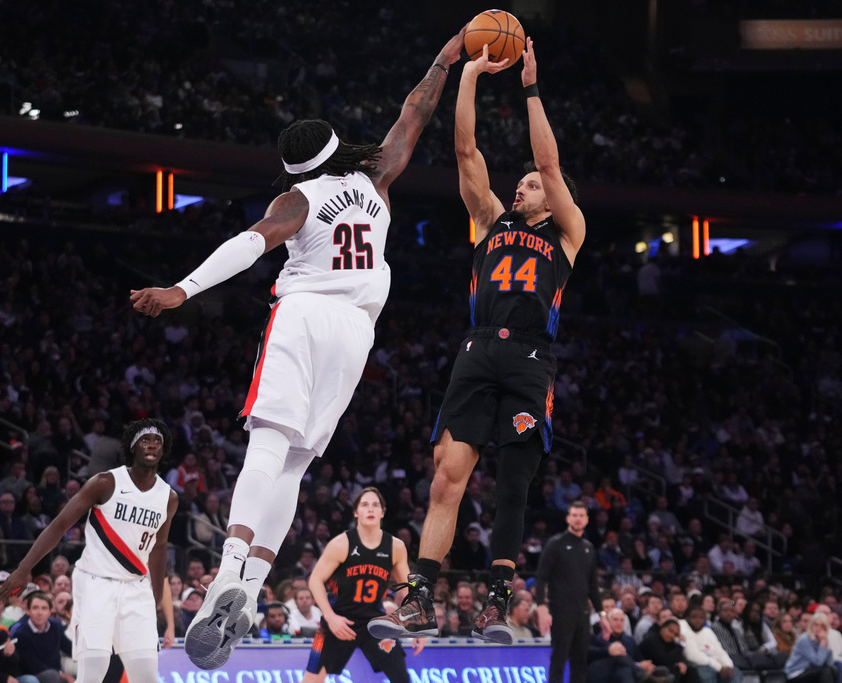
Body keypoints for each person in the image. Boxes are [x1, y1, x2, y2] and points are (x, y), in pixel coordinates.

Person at [128, 26, 468, 671]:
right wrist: (444, 59)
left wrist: (183, 288)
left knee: (266, 444)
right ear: (340, 149)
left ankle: (230, 574)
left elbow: (251, 242)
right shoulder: (376, 178)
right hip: (357, 333)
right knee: (294, 468)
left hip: (305, 315)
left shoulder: (299, 196)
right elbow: (415, 111)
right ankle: (250, 589)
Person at [370, 36, 586, 644]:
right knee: (446, 477)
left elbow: (548, 164)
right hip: (477, 347)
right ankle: (420, 600)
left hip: (528, 357)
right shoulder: (490, 220)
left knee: (513, 483)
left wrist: (530, 89)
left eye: (532, 186)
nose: (524, 187)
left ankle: (495, 602)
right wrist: (468, 74)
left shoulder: (568, 231)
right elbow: (465, 150)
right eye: (519, 183)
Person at [0, 419, 177, 683]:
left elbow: (159, 546)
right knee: (93, 671)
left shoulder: (168, 496)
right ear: (132, 447)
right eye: (144, 440)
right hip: (96, 582)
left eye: (157, 441)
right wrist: (25, 568)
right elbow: (59, 524)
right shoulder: (105, 482)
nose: (152, 444)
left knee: (147, 675)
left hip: (137, 587)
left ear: (163, 450)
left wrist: (156, 597)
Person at [303, 488, 421, 683]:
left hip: (373, 622)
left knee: (402, 677)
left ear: (383, 512)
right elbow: (315, 580)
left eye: (375, 505)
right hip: (339, 621)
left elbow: (407, 586)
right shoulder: (341, 544)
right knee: (312, 680)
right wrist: (330, 617)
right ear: (356, 512)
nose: (370, 509)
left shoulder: (395, 546)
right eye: (364, 505)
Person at [529, 503, 604, 683]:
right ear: (568, 518)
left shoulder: (589, 548)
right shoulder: (556, 544)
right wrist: (542, 607)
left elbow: (592, 585)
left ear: (586, 520)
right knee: (559, 660)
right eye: (574, 515)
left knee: (580, 663)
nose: (577, 518)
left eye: (581, 515)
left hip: (583, 613)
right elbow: (541, 578)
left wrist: (602, 613)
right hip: (561, 611)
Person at [587, 608, 657, 683]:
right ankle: (643, 674)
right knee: (624, 668)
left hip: (631, 671)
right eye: (615, 620)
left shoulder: (629, 640)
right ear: (607, 622)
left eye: (622, 620)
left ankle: (646, 675)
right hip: (606, 674)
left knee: (662, 670)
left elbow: (639, 658)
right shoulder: (600, 638)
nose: (619, 623)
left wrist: (648, 666)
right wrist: (638, 666)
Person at [679, 605, 739, 683]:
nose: (698, 620)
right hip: (694, 664)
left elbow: (720, 651)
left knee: (735, 672)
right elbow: (692, 655)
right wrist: (719, 667)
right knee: (706, 672)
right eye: (694, 617)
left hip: (714, 664)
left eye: (701, 618)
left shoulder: (707, 631)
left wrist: (728, 666)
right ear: (687, 618)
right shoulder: (682, 627)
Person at [784, 613, 835, 683]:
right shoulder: (805, 639)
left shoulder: (822, 638)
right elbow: (818, 662)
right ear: (811, 625)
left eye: (822, 625)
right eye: (816, 624)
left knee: (835, 668)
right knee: (825, 672)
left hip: (810, 671)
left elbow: (830, 663)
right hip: (796, 673)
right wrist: (823, 644)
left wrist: (827, 645)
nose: (818, 628)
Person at [639, 619, 690, 683]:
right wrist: (681, 645)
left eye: (676, 634)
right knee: (674, 669)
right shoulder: (651, 639)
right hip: (647, 669)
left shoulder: (671, 642)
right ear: (663, 628)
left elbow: (679, 657)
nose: (672, 636)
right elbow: (664, 660)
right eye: (670, 631)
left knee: (689, 669)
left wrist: (682, 662)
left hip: (662, 667)